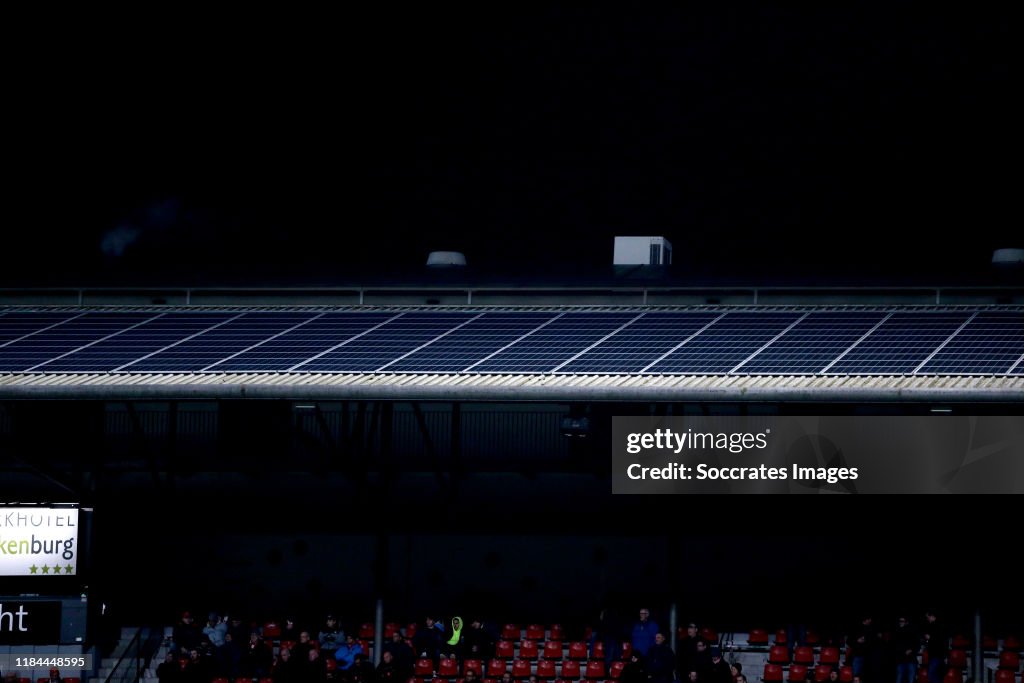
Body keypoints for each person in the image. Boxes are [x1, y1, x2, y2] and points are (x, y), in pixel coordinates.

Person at [892, 616, 919, 683]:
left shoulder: (912, 631)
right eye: (899, 621)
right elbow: (893, 645)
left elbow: (917, 644)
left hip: (910, 659)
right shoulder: (896, 631)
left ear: (906, 622)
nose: (900, 623)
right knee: (899, 676)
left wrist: (911, 650)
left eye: (902, 621)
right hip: (900, 659)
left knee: (910, 678)